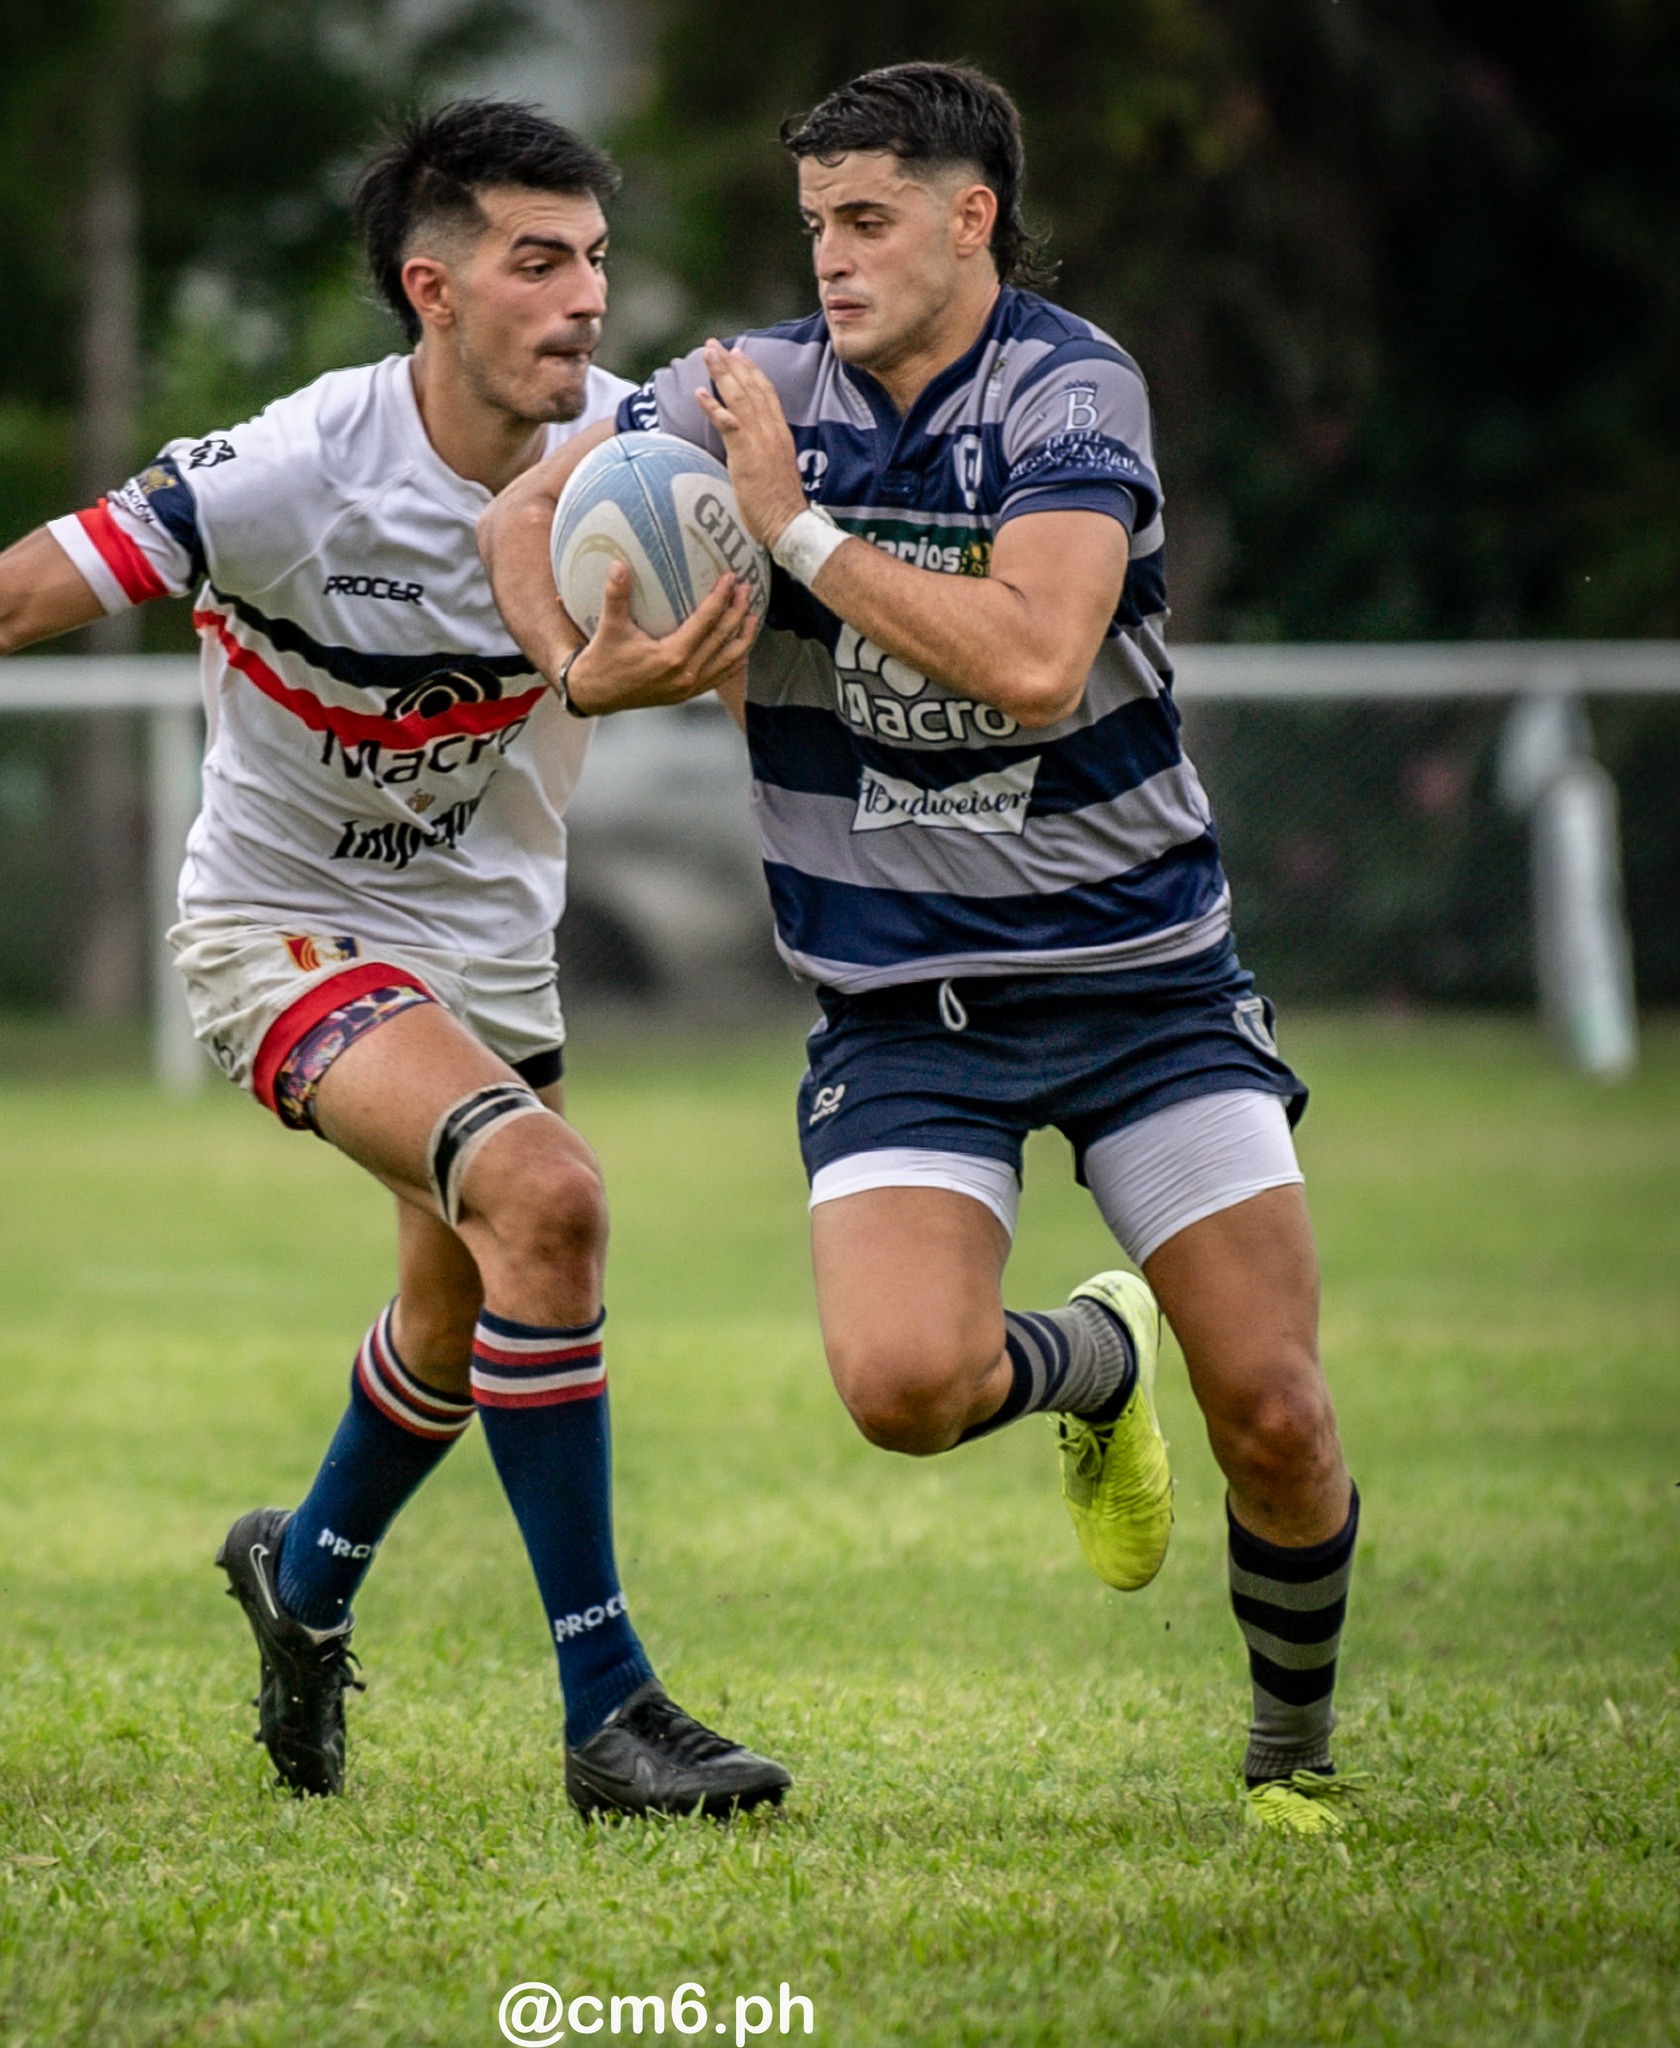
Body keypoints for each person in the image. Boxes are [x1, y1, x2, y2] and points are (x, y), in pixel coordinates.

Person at [0, 99, 788, 1821]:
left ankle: (302, 1579)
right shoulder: (288, 472)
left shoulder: (634, 459)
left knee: (454, 1309)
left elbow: (770, 647)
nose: (582, 302)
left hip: (489, 946)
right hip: (280, 934)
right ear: (433, 289)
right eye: (537, 263)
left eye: (596, 262)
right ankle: (611, 1710)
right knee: (545, 1199)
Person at [481, 62, 1362, 1836]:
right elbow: (520, 521)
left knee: (1271, 1406)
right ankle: (1095, 1365)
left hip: (1142, 986)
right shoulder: (740, 387)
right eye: (815, 224)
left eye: (868, 220)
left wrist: (796, 527)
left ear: (973, 218)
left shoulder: (1064, 384)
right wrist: (589, 669)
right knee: (902, 1389)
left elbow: (1039, 659)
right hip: (902, 1008)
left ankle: (1290, 1756)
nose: (831, 259)